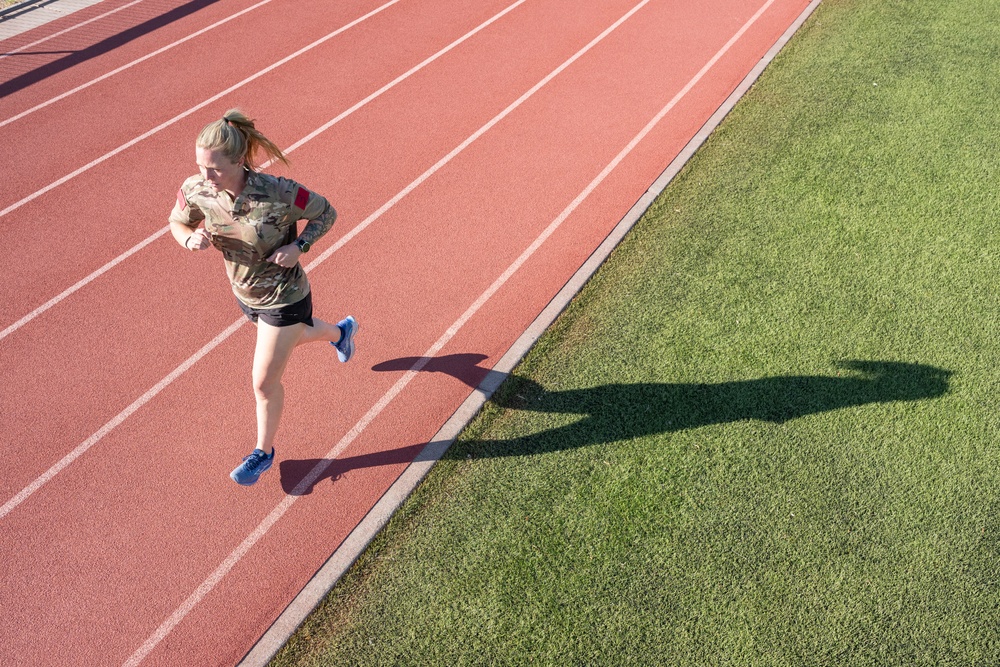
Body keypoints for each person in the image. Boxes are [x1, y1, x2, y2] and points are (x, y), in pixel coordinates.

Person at [168, 109, 357, 486]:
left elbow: (327, 213)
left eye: (215, 169)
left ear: (239, 162)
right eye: (200, 166)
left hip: (285, 296)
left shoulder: (280, 192)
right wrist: (188, 238)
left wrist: (300, 246)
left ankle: (263, 453)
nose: (205, 177)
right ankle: (340, 333)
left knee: (263, 382)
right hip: (244, 293)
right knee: (292, 339)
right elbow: (178, 220)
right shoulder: (197, 189)